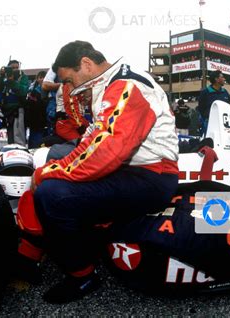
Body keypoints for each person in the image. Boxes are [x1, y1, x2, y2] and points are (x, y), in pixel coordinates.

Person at [31, 41, 179, 303]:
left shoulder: (126, 85)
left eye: (69, 79)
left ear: (86, 64)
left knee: (52, 193)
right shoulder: (109, 85)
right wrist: (54, 166)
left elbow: (105, 152)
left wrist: (48, 173)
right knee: (56, 165)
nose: (69, 88)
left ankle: (82, 277)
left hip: (152, 177)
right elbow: (91, 142)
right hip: (133, 171)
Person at [0, 60, 29, 145]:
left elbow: (23, 92)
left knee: (18, 137)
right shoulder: (4, 78)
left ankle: (19, 153)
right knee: (9, 137)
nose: (15, 70)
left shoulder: (22, 77)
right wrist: (1, 76)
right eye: (12, 68)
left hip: (17, 110)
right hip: (6, 111)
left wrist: (12, 81)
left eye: (17, 67)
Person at [198, 70, 230, 135]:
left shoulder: (225, 92)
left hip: (223, 123)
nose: (224, 79)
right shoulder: (205, 92)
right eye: (222, 77)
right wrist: (206, 118)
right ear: (216, 79)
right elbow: (201, 108)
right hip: (209, 122)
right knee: (209, 142)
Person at [26, 71, 47, 148]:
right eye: (40, 77)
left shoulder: (50, 91)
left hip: (46, 122)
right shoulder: (34, 91)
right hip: (35, 123)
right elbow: (31, 108)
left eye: (44, 77)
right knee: (35, 143)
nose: (42, 79)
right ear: (37, 79)